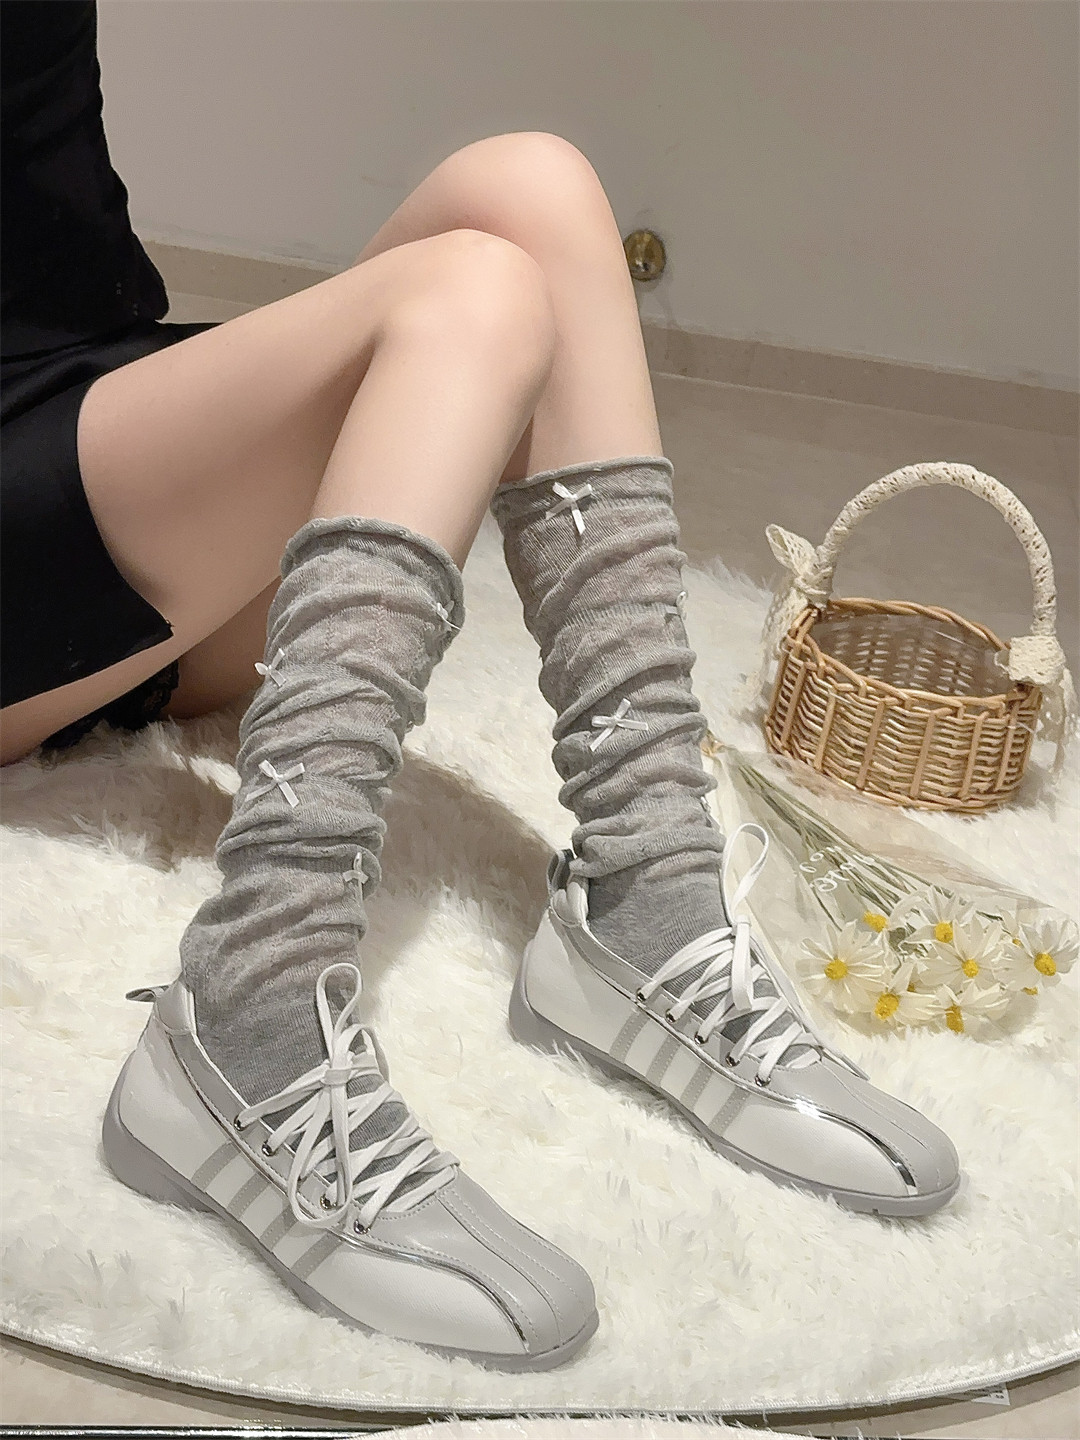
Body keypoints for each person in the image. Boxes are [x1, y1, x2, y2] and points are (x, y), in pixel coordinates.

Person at [1, 0, 960, 1373]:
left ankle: (647, 893)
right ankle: (247, 1010)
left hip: (106, 444)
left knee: (536, 187)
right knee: (473, 298)